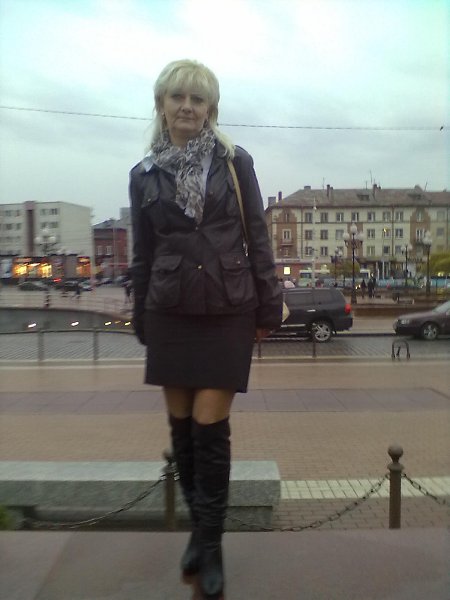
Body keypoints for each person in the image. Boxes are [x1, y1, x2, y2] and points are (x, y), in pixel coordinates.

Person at [129, 59, 282, 599]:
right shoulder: (144, 174)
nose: (187, 107)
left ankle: (211, 546)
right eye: (178, 97)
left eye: (198, 99)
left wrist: (269, 305)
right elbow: (143, 251)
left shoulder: (235, 162)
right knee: (182, 433)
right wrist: (140, 312)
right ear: (162, 105)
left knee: (209, 428)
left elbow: (258, 236)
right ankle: (202, 532)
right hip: (169, 308)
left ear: (211, 109)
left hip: (227, 307)